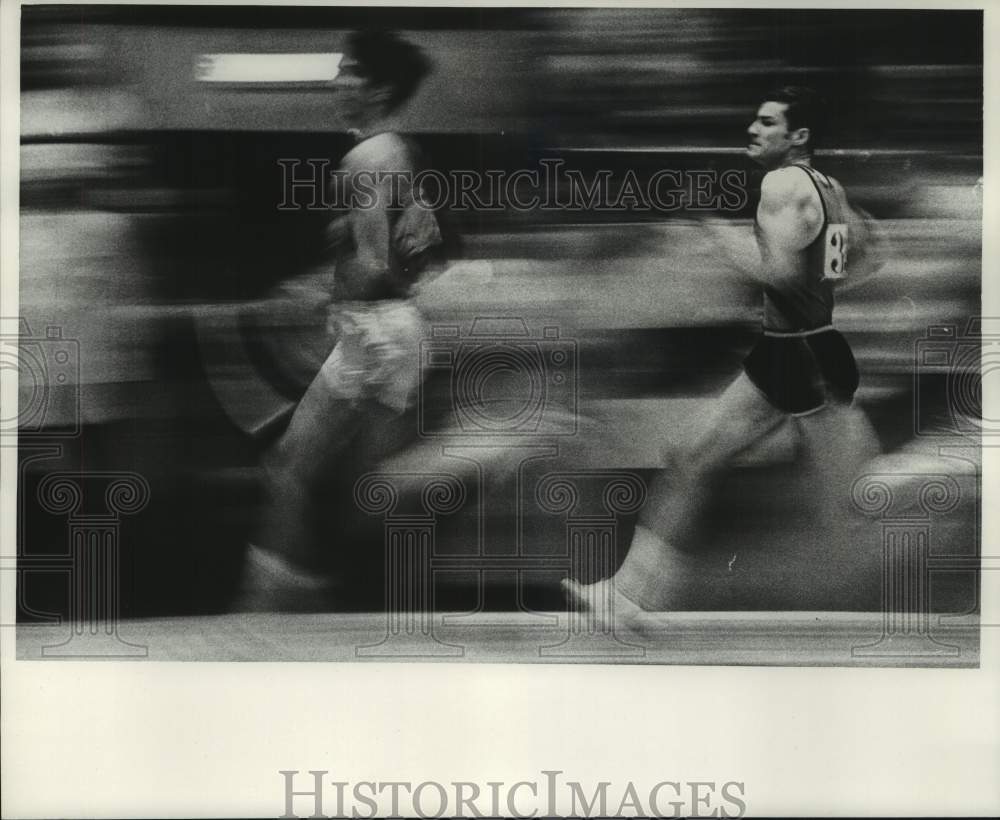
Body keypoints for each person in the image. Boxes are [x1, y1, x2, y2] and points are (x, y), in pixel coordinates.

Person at [563, 86, 882, 622]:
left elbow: (775, 272)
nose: (754, 131)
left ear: (798, 137)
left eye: (767, 123)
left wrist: (715, 232)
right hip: (798, 350)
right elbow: (861, 261)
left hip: (799, 355)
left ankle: (962, 482)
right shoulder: (830, 188)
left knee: (851, 500)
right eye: (754, 121)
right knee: (693, 455)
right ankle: (630, 598)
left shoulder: (782, 184)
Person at [238, 30, 441, 610]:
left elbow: (376, 265)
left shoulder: (367, 158)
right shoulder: (401, 151)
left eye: (349, 72)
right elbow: (409, 254)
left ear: (376, 89)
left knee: (289, 468)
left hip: (372, 332)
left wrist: (324, 302)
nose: (338, 82)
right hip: (400, 330)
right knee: (373, 487)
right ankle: (328, 599)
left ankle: (266, 606)